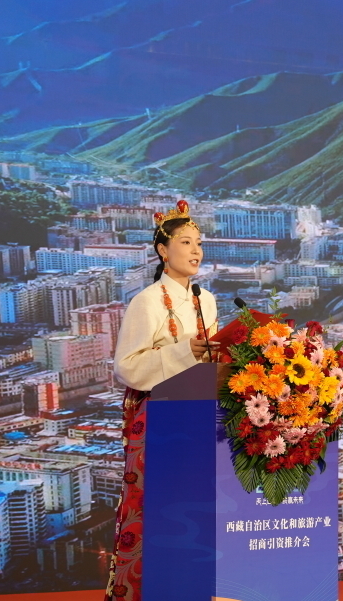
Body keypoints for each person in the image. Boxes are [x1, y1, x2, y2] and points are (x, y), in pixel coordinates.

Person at [104, 200, 218, 601]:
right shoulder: (148, 301)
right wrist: (186, 351)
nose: (195, 251)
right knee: (157, 509)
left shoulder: (206, 300)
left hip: (199, 414)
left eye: (199, 243)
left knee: (197, 510)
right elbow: (126, 368)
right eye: (185, 242)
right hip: (158, 420)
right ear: (162, 251)